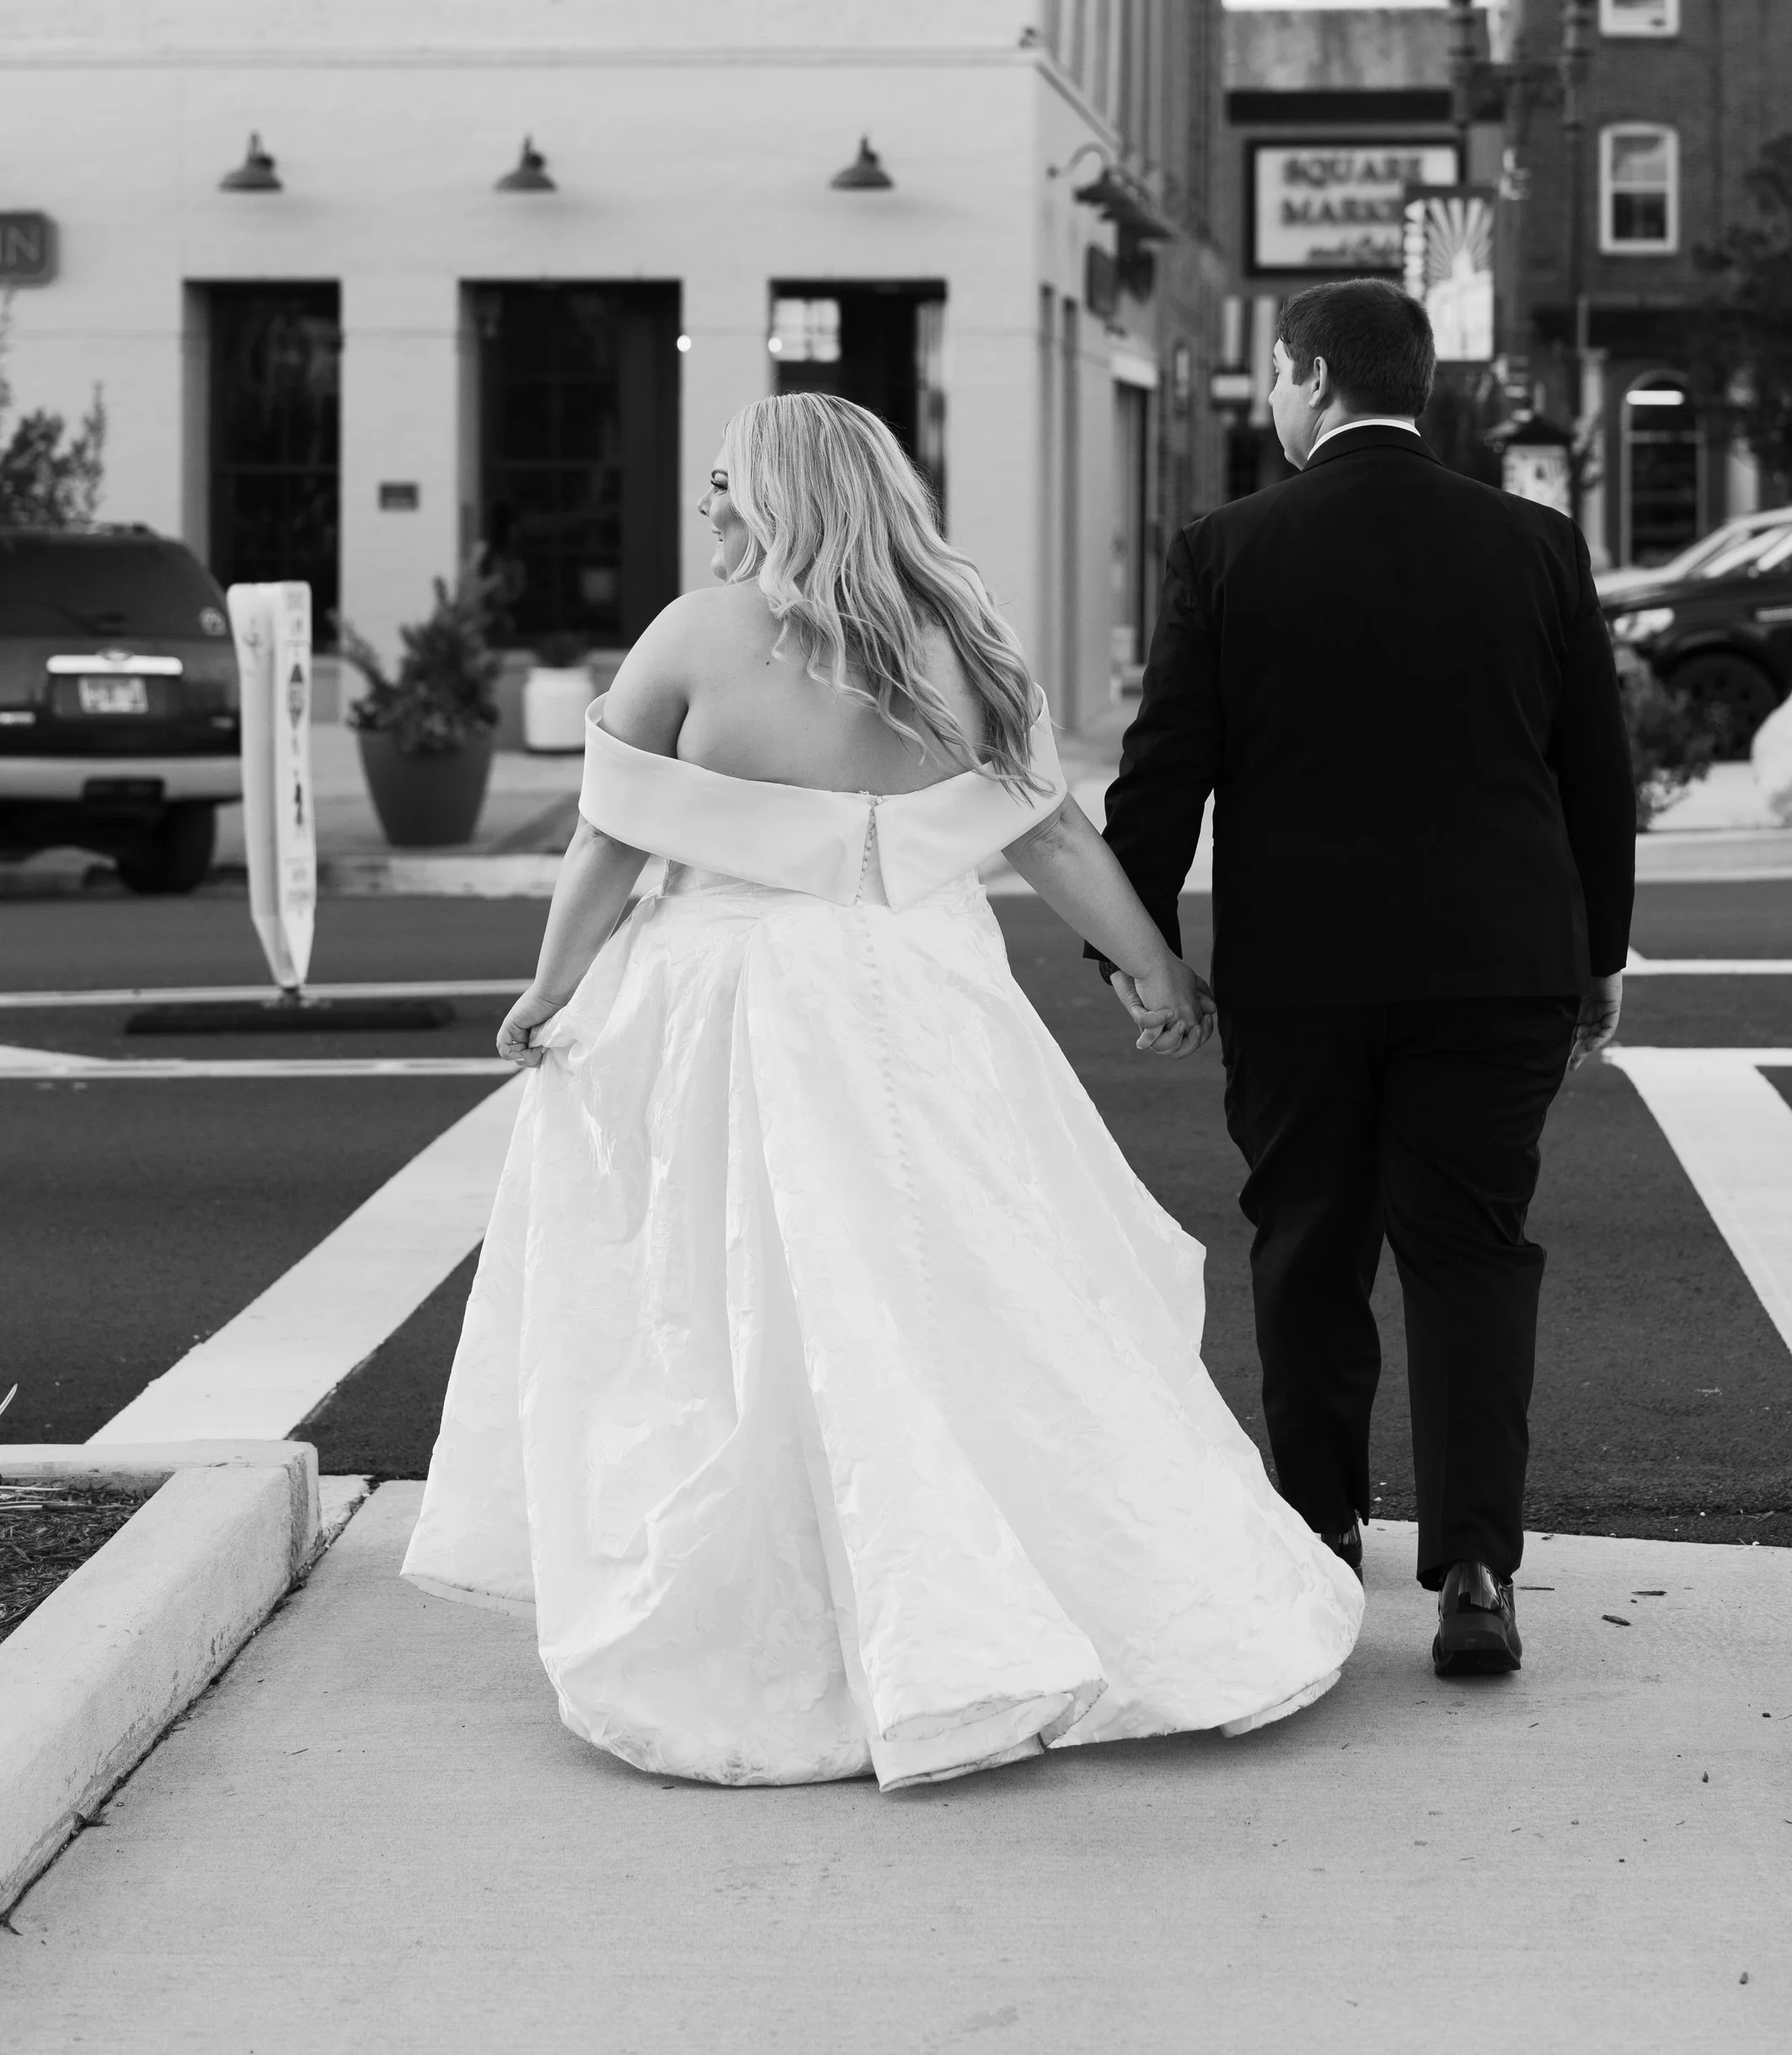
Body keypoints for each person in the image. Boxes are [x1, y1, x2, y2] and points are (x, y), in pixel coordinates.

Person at [402, 392, 1361, 1788]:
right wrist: (1155, 969)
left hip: (733, 1000)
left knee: (748, 1302)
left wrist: (550, 986)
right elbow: (1053, 838)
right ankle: (1056, 1592)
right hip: (923, 995)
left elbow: (610, 838)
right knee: (975, 1287)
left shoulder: (693, 634)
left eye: (727, 482)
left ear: (785, 492)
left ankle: (810, 1615)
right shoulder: (962, 642)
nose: (711, 507)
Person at [1098, 280, 1635, 1677]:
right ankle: (1471, 1572)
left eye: (1276, 376)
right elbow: (1595, 774)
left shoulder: (1227, 549)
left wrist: (1137, 948)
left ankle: (1319, 1544)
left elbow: (1165, 776)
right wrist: (1598, 957)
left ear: (1314, 377)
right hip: (1498, 966)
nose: (1273, 398)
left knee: (1308, 1248)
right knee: (1469, 1255)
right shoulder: (1534, 544)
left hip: (1304, 973)